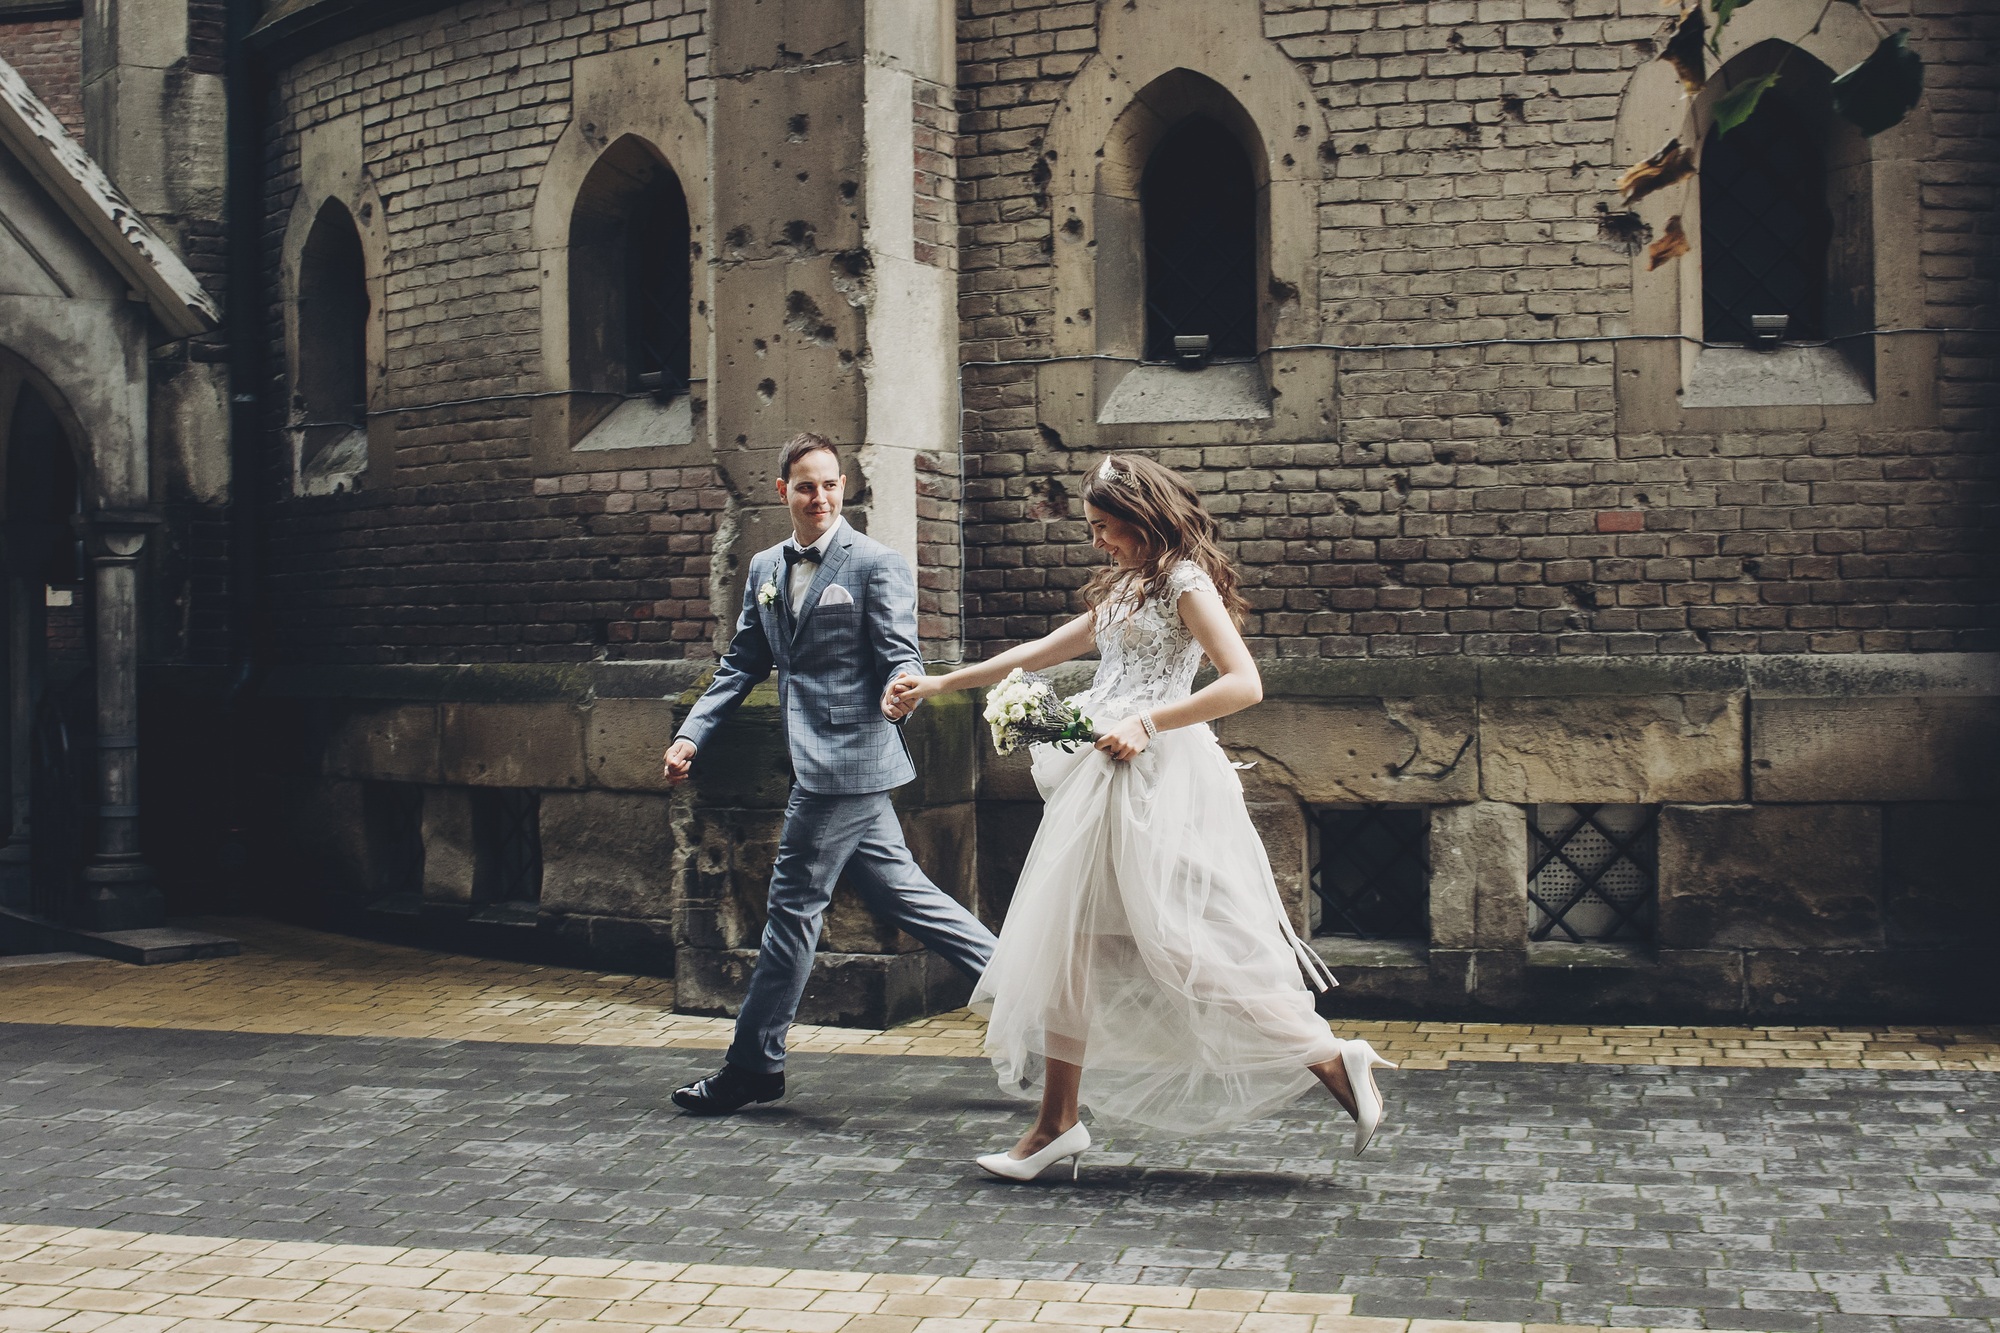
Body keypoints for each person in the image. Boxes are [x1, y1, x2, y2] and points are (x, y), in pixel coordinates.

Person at [887, 454, 1394, 1180]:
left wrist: (1149, 723)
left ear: (1139, 518)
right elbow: (1045, 650)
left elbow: (1244, 682)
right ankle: (1055, 1125)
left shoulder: (1186, 582)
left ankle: (1326, 1053)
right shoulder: (1127, 584)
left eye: (1103, 527)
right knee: (1072, 947)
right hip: (1099, 774)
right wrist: (942, 681)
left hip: (1154, 779)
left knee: (1182, 946)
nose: (1096, 541)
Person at [663, 432, 998, 1115]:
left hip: (847, 763)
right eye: (806, 486)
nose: (820, 497)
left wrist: (900, 689)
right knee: (907, 896)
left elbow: (902, 655)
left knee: (790, 909)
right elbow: (740, 665)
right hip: (821, 763)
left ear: (843, 488)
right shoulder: (763, 567)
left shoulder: (876, 564)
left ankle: (753, 1063)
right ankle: (1044, 996)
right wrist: (693, 733)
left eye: (830, 485)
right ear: (782, 491)